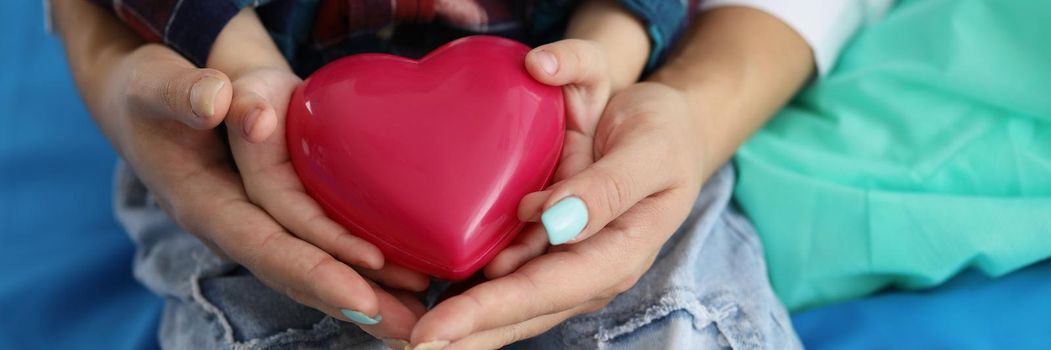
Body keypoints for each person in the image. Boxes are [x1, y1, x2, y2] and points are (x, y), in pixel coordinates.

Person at [51, 0, 883, 348]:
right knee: (280, 311)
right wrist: (237, 67)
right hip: (258, 124)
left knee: (670, 314)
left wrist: (611, 51)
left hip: (573, 112)